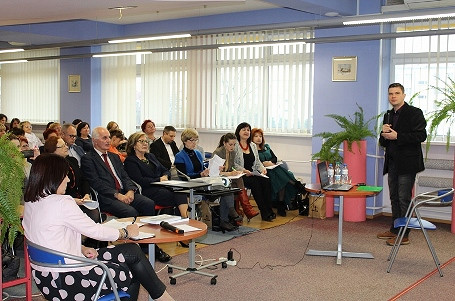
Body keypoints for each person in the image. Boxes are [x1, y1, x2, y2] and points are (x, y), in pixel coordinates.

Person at [22, 153, 174, 301]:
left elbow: (48, 239)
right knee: (132, 272)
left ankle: (162, 297)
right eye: (64, 175)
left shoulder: (31, 202)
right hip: (72, 280)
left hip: (48, 279)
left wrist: (81, 248)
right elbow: (95, 231)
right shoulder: (62, 202)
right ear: (53, 177)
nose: (68, 179)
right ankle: (163, 298)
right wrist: (125, 232)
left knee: (132, 251)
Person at [81, 127, 171, 263]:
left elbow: (125, 177)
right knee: (131, 211)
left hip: (125, 193)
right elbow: (96, 183)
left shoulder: (114, 156)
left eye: (109, 137)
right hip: (107, 197)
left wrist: (130, 190)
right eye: (104, 138)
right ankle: (143, 247)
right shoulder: (88, 159)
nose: (108, 141)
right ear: (94, 141)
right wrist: (117, 195)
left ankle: (149, 242)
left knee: (148, 204)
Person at [377, 83, 427, 246]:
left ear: (404, 95)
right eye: (390, 93)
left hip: (408, 163)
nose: (393, 96)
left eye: (397, 93)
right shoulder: (388, 115)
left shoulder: (414, 113)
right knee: (394, 198)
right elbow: (383, 141)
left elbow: (421, 136)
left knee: (403, 198)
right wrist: (383, 133)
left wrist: (398, 136)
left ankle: (404, 234)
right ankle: (394, 229)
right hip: (392, 162)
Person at [175, 129, 241, 231]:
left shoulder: (197, 153)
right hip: (190, 185)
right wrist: (200, 174)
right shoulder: (179, 156)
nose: (194, 143)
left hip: (203, 181)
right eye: (192, 141)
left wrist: (214, 168)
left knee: (226, 187)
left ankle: (225, 220)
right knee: (224, 189)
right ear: (184, 141)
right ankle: (230, 213)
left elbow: (204, 168)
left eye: (196, 140)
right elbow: (184, 177)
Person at [124, 132, 189, 218]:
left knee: (180, 192)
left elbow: (165, 170)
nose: (145, 144)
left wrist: (165, 176)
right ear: (133, 145)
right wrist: (159, 179)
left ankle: (183, 218)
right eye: (141, 141)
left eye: (146, 141)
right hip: (147, 190)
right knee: (178, 194)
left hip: (162, 186)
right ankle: (185, 218)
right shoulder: (131, 161)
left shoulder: (150, 156)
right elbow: (139, 180)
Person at [43, 136, 99, 224]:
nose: (66, 147)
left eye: (65, 144)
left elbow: (83, 179)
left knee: (94, 213)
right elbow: (54, 193)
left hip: (81, 199)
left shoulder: (72, 160)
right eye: (62, 146)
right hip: (64, 203)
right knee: (91, 216)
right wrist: (73, 200)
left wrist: (86, 194)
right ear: (53, 150)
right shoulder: (50, 169)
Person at [251, 128, 305, 216]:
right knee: (279, 175)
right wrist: (263, 164)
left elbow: (274, 158)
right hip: (263, 171)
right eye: (256, 136)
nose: (258, 138)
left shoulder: (266, 147)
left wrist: (270, 162)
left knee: (278, 174)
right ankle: (295, 184)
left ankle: (281, 204)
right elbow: (254, 162)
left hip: (273, 168)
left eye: (260, 136)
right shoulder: (252, 150)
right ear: (252, 138)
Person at [234, 122, 275, 222]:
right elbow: (233, 164)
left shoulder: (252, 145)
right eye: (243, 129)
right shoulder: (235, 145)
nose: (246, 132)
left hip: (252, 173)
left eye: (248, 130)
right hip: (241, 175)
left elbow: (257, 162)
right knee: (256, 183)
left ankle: (269, 210)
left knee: (266, 181)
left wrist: (262, 169)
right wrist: (243, 170)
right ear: (238, 131)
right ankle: (264, 213)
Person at [212, 133, 257, 222]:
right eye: (230, 144)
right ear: (224, 143)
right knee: (231, 187)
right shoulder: (218, 153)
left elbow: (231, 167)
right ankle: (240, 209)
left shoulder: (232, 153)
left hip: (227, 179)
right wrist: (230, 174)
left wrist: (236, 172)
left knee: (238, 178)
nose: (232, 147)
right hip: (217, 179)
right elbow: (215, 173)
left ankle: (236, 211)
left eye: (234, 144)